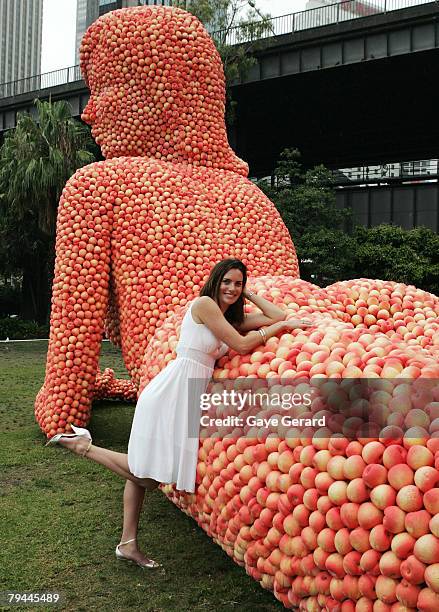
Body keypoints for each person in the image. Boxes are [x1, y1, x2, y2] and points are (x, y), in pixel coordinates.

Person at [47, 258, 311, 568]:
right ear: (215, 281)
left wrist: (249, 296)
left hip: (187, 395)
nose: (231, 288)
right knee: (148, 476)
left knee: (143, 469)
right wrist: (278, 328)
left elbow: (279, 314)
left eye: (237, 283)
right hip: (172, 392)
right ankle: (83, 446)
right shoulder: (204, 305)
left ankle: (127, 543)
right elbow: (243, 343)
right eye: (227, 281)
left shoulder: (227, 318)